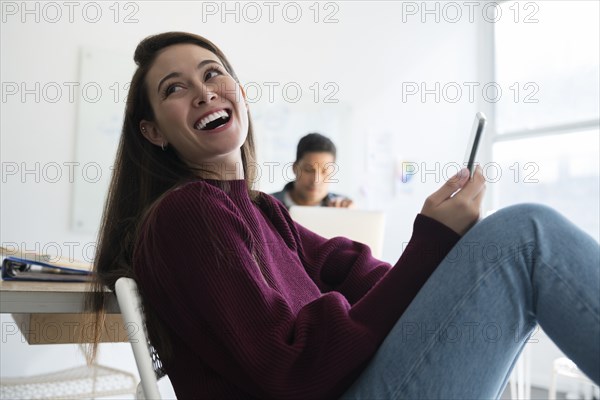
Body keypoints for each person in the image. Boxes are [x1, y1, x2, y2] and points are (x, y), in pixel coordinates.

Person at [86, 32, 599, 399]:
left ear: (239, 92)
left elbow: (354, 269)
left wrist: (448, 259)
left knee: (515, 239)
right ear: (153, 132)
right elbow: (293, 370)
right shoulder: (187, 214)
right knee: (526, 236)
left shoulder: (262, 209)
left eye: (214, 72)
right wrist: (432, 241)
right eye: (174, 88)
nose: (204, 91)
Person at [270, 133, 354, 209]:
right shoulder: (266, 207)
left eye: (325, 171)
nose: (316, 180)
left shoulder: (342, 208)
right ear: (295, 168)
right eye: (308, 170)